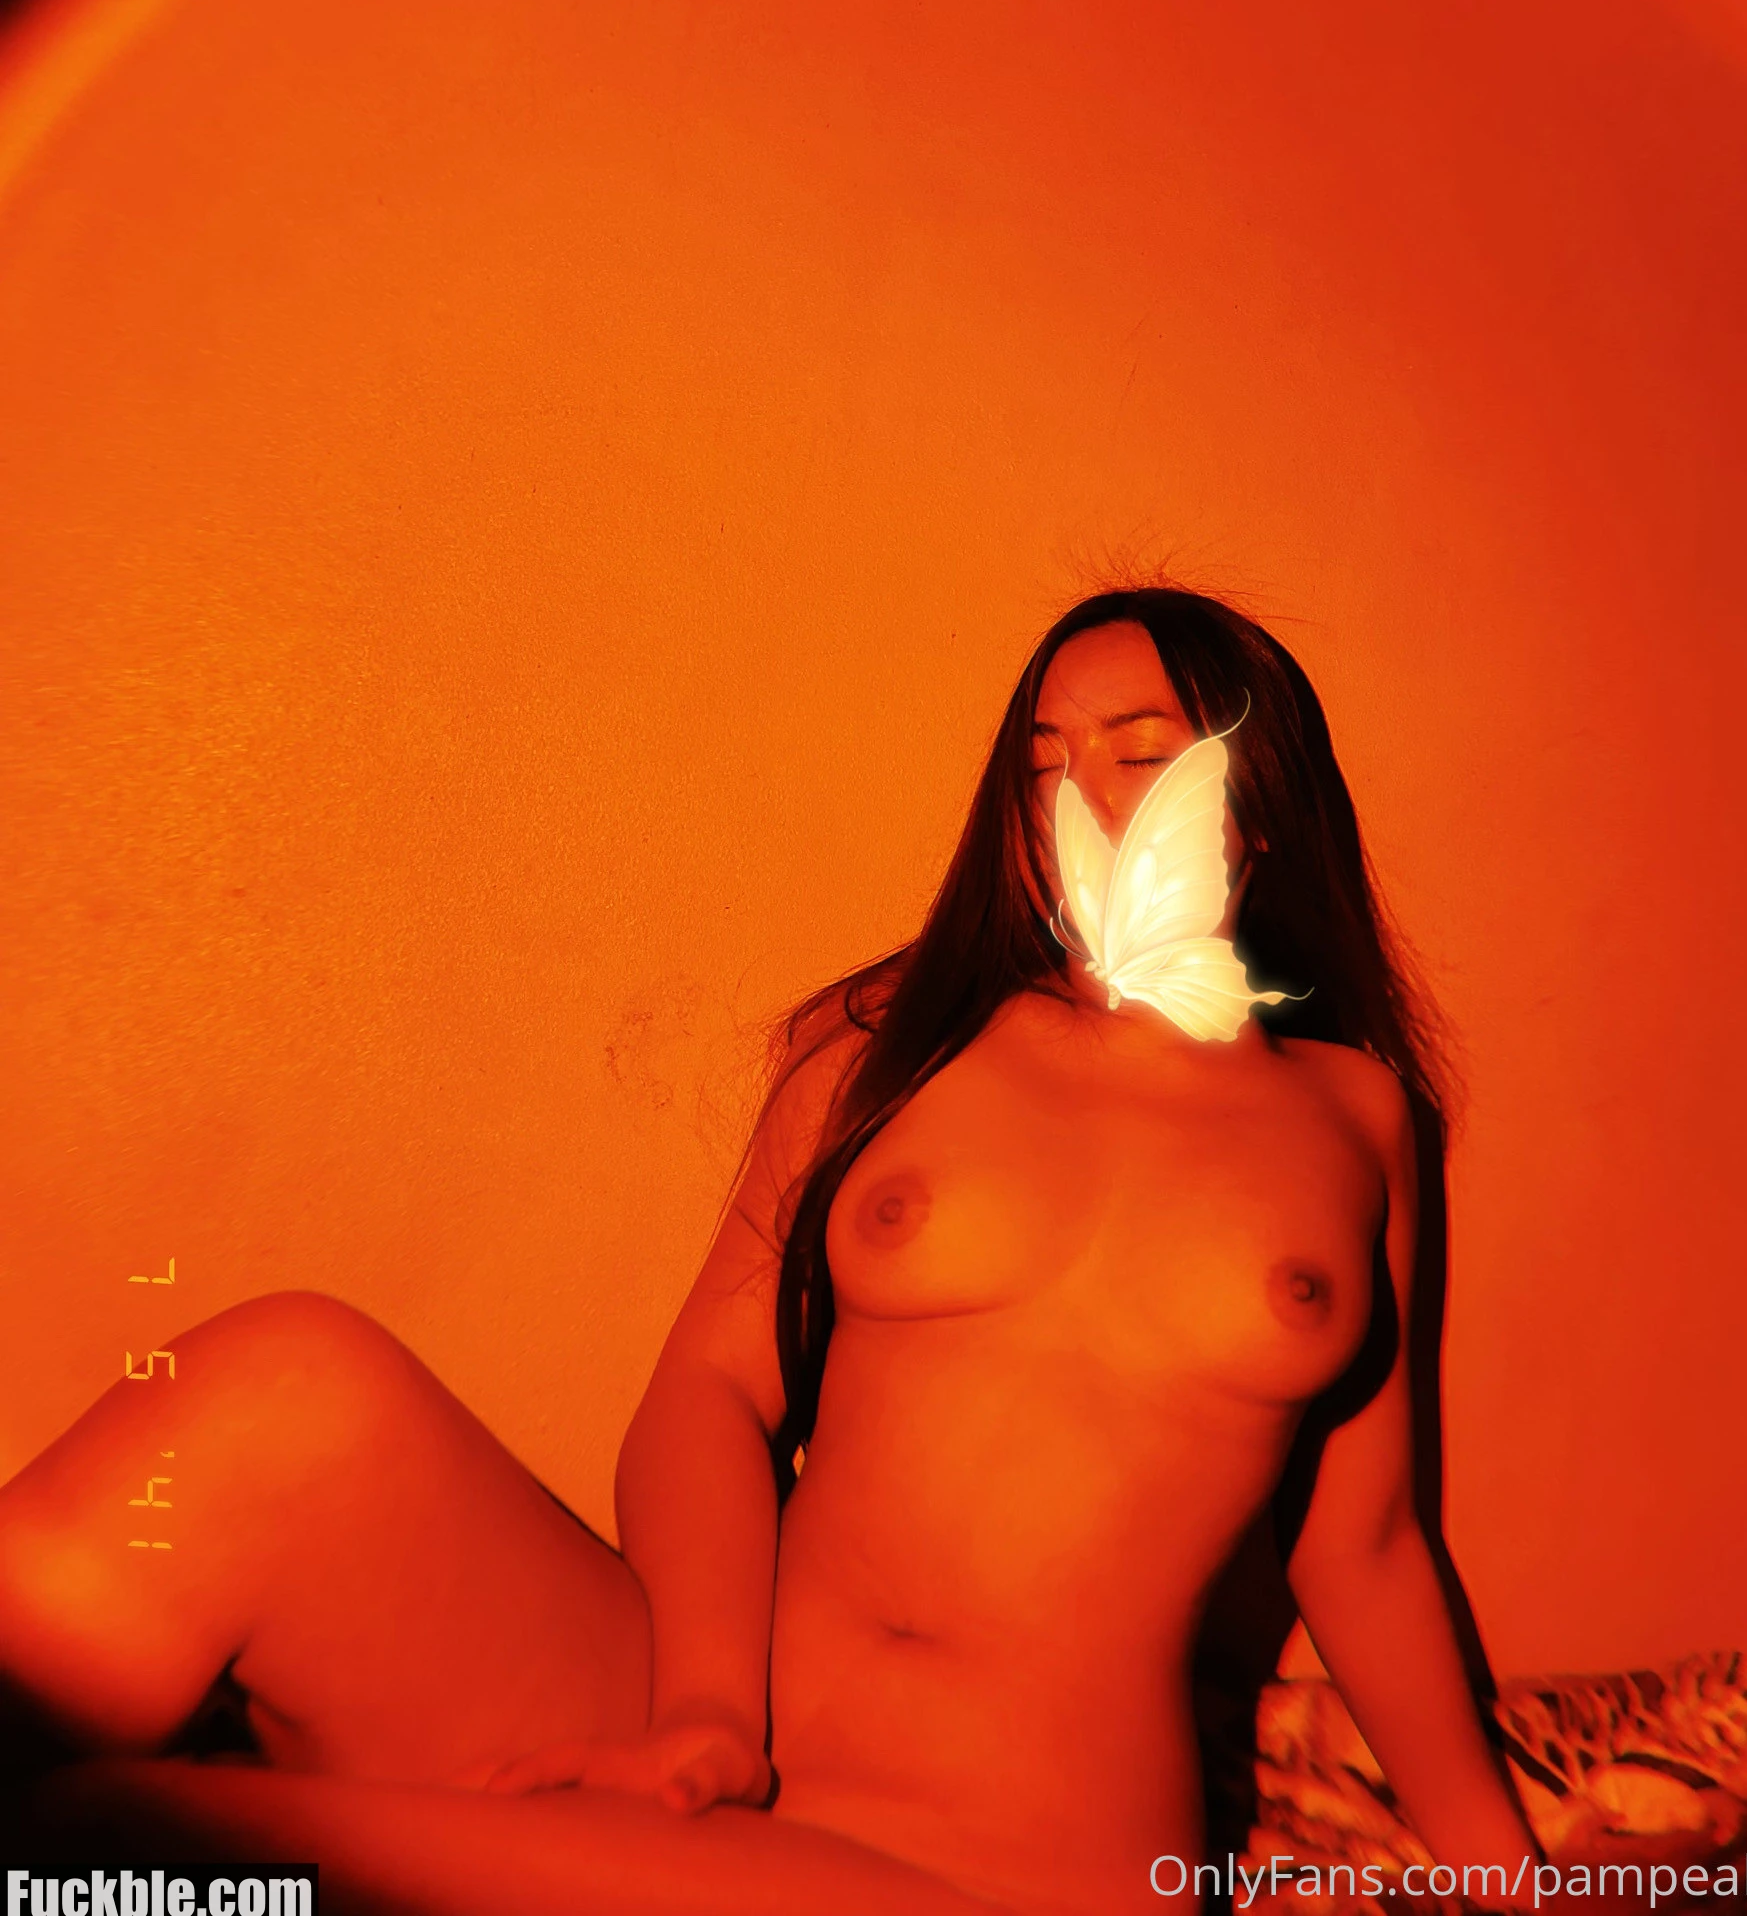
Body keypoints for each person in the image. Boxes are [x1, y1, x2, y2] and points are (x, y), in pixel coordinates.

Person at [2, 587, 1542, 1915]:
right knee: (287, 1385)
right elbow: (709, 1394)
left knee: (112, 1841)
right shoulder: (892, 1051)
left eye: (1139, 756)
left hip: (1000, 1862)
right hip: (720, 1742)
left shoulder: (1350, 1115)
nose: (1077, 799)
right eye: (1041, 764)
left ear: (1252, 808)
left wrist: (1510, 1877)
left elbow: (1363, 1545)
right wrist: (702, 1719)